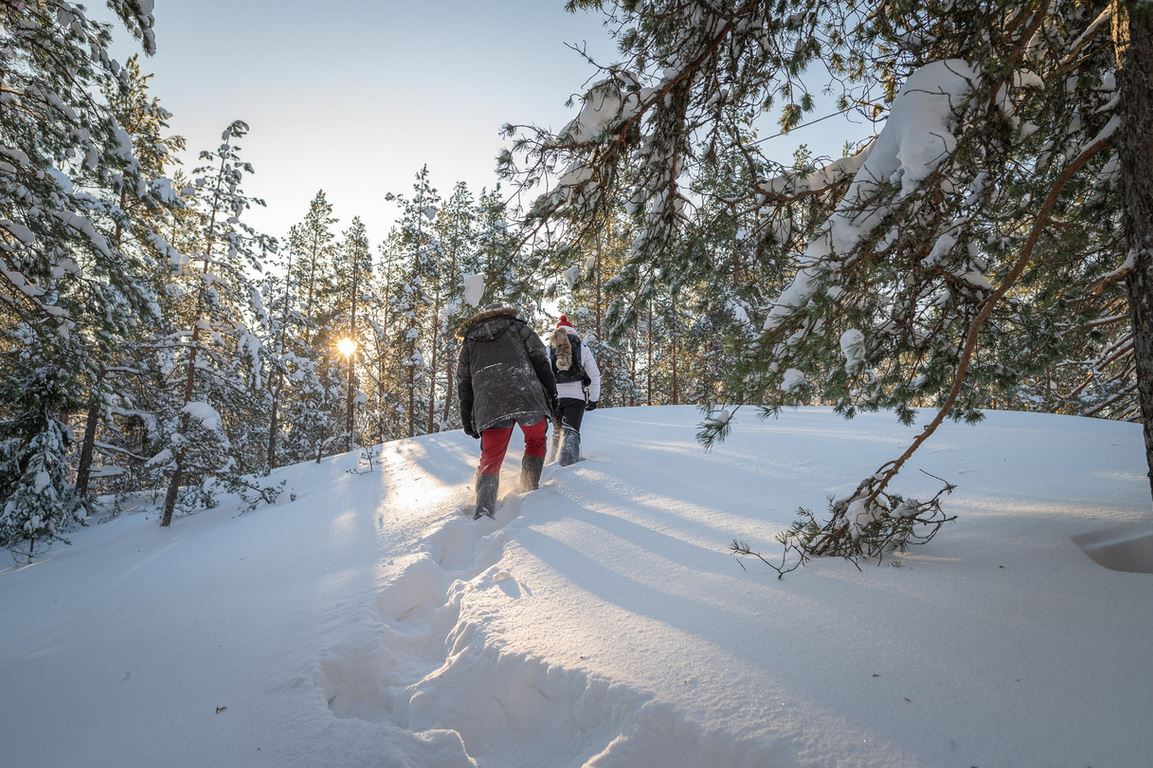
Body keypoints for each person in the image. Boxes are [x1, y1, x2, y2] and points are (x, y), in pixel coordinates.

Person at [457, 305, 559, 519]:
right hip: (527, 396)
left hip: (491, 404)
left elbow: (464, 383)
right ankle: (529, 490)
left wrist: (467, 417)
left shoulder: (469, 342)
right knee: (535, 441)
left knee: (491, 457)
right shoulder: (519, 328)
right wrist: (551, 394)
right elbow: (541, 362)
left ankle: (483, 510)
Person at [549, 314, 601, 466]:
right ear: (573, 330)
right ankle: (567, 467)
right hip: (576, 398)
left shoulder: (549, 348)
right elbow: (594, 375)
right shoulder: (582, 348)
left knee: (557, 431)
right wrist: (593, 399)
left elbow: (542, 374)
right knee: (571, 431)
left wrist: (545, 399)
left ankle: (552, 462)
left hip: (555, 398)